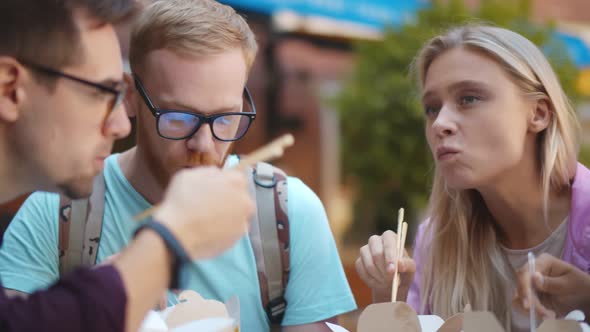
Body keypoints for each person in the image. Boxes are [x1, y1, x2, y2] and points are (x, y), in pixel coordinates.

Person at [0, 1, 357, 331]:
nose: (203, 144)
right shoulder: (58, 214)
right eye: (177, 118)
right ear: (131, 97)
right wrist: (148, 262)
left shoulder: (284, 213)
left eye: (225, 118)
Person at [355, 24, 590, 331]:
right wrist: (391, 299)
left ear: (539, 113)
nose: (440, 123)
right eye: (431, 108)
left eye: (469, 99)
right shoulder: (437, 241)